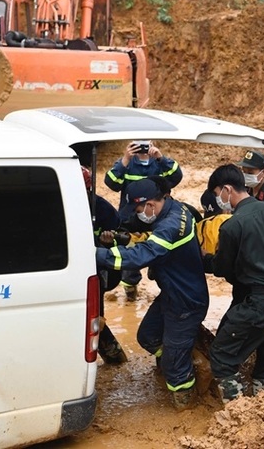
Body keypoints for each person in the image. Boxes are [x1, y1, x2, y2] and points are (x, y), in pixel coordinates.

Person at [95, 179, 208, 410]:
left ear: (150, 205)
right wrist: (119, 239)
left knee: (174, 370)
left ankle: (186, 407)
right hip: (173, 293)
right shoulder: (177, 208)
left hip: (186, 302)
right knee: (147, 337)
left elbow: (142, 256)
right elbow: (145, 236)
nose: (139, 215)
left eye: (139, 210)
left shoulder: (170, 225)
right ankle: (188, 358)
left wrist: (96, 254)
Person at [203, 165, 264, 402]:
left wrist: (206, 260)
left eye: (218, 194)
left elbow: (224, 268)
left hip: (262, 301)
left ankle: (239, 412)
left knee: (222, 355)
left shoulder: (232, 225)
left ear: (226, 189)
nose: (219, 200)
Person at [104, 140, 184, 301]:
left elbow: (176, 177)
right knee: (129, 248)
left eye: (145, 143)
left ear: (152, 142)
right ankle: (130, 289)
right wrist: (124, 160)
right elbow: (111, 183)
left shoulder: (159, 162)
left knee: (159, 247)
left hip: (157, 214)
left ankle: (157, 274)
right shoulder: (127, 163)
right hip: (132, 215)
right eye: (137, 143)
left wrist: (162, 158)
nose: (142, 147)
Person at [80, 166, 127, 364]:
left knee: (94, 318)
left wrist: (107, 243)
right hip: (71, 268)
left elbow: (124, 239)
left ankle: (115, 358)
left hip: (96, 270)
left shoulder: (102, 209)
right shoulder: (59, 206)